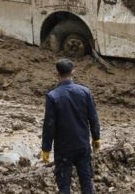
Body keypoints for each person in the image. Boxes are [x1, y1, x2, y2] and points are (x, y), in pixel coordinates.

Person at [41, 59, 101, 194]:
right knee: (86, 183)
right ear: (73, 71)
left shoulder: (52, 96)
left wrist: (46, 149)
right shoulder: (85, 92)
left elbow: (49, 125)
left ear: (56, 73)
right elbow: (93, 118)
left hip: (63, 149)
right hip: (82, 145)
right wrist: (96, 138)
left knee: (64, 185)